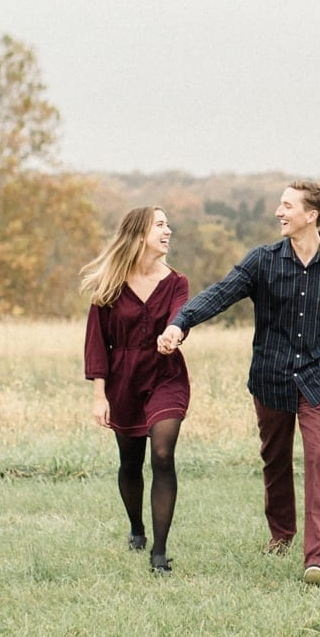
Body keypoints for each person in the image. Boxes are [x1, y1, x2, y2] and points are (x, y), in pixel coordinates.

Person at [157, 180, 320, 585]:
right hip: (271, 378)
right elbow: (219, 294)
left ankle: (316, 559)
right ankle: (281, 534)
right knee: (275, 461)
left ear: (312, 215)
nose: (278, 212)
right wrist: (180, 323)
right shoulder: (263, 261)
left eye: (287, 205)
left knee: (319, 459)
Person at [81, 206, 190, 575]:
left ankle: (159, 553)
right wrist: (100, 395)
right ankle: (137, 529)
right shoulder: (110, 283)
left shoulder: (177, 282)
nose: (168, 231)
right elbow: (97, 344)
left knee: (162, 453)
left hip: (165, 375)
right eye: (160, 225)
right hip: (122, 379)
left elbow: (181, 315)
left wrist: (173, 333)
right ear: (140, 233)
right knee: (130, 462)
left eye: (167, 225)